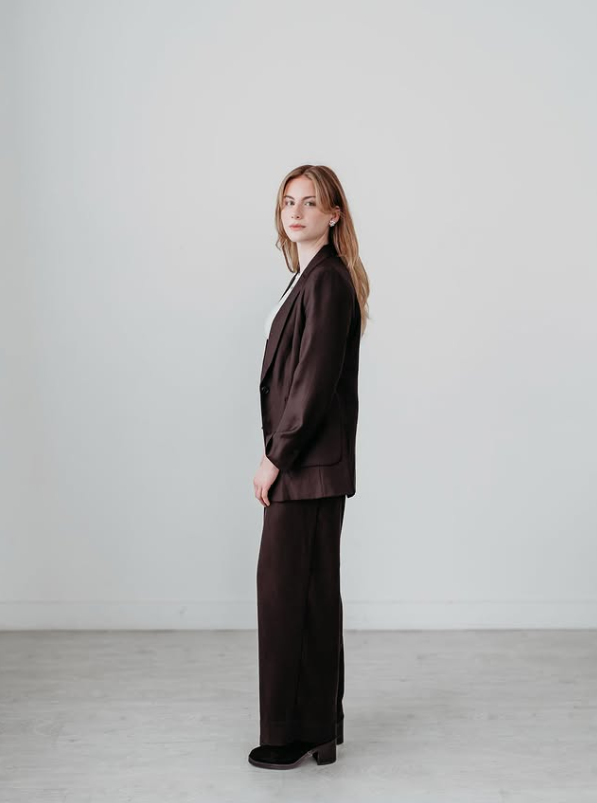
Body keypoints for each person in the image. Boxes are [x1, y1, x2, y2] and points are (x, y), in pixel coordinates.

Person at [248, 164, 370, 770]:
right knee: (310, 597)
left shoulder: (325, 282)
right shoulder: (310, 279)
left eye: (309, 202)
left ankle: (295, 732)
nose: (294, 212)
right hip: (313, 467)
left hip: (306, 467)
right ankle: (319, 725)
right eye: (287, 202)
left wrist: (275, 458)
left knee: (288, 596)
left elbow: (312, 384)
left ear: (334, 214)